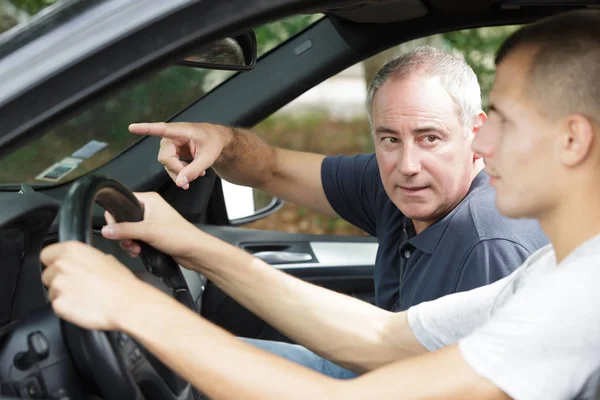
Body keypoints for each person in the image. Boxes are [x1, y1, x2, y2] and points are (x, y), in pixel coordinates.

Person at [41, 9, 600, 398]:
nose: (482, 145)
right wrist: (191, 243)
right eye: (390, 139)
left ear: (572, 139)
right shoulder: (555, 271)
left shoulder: (576, 305)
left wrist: (135, 309)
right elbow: (383, 340)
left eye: (503, 121)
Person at [124, 46, 547, 378]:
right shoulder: (401, 184)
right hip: (390, 372)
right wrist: (217, 139)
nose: (408, 164)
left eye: (430, 137)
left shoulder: (489, 242)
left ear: (476, 131)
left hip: (407, 384)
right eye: (389, 138)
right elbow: (272, 168)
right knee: (189, 359)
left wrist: (189, 244)